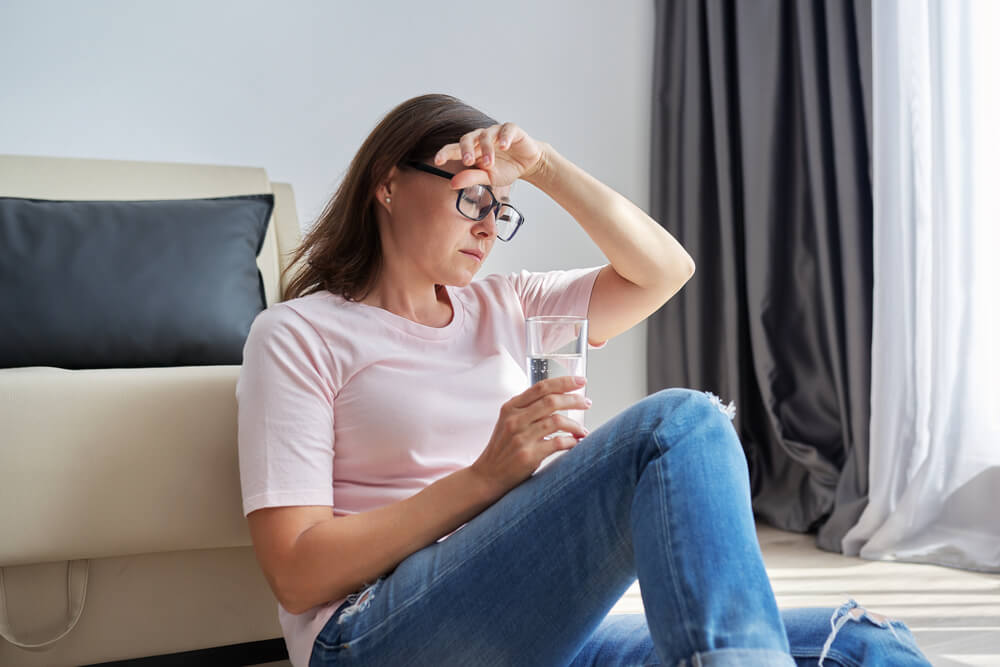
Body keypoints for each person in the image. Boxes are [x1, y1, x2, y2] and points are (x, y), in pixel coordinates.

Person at [236, 94, 931, 667]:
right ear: (388, 183)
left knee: (863, 643)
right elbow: (296, 570)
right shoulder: (300, 333)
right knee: (678, 426)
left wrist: (542, 167)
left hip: (525, 623)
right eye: (474, 199)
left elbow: (664, 269)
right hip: (372, 633)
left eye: (500, 209)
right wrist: (486, 477)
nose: (488, 227)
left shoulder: (511, 304)